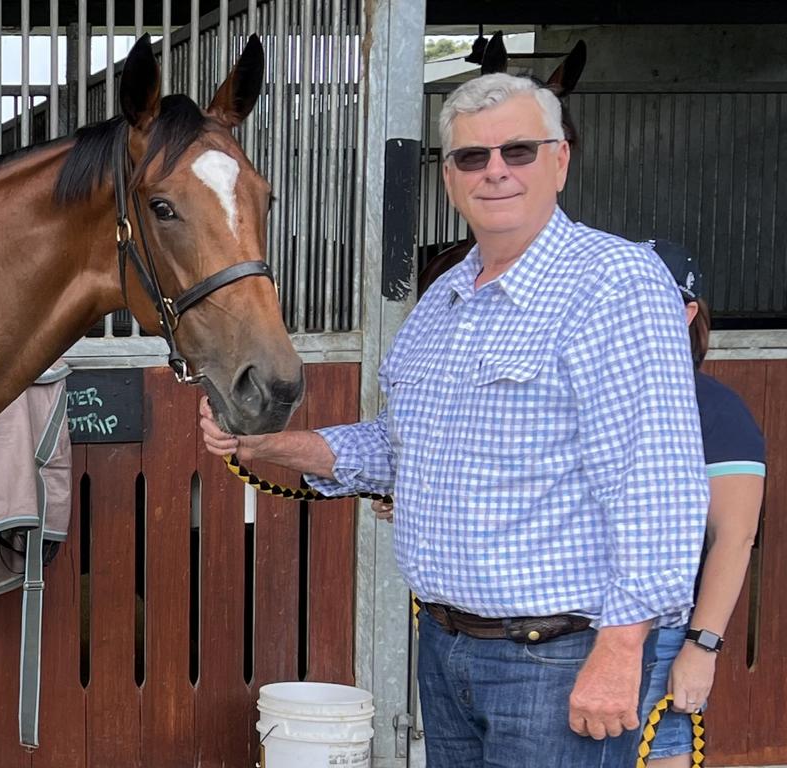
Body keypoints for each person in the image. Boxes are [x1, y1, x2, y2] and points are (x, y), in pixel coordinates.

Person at [200, 72, 709, 767]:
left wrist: (622, 649)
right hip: (447, 649)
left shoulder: (614, 283)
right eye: (472, 157)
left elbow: (655, 478)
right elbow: (397, 448)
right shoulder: (442, 303)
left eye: (518, 151)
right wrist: (265, 442)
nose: (495, 170)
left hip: (557, 657)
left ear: (560, 160)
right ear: (449, 180)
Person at [637, 240, 765, 768]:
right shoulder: (577, 397)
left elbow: (734, 538)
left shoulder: (714, 410)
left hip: (660, 633)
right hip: (561, 630)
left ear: (688, 312)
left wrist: (700, 648)